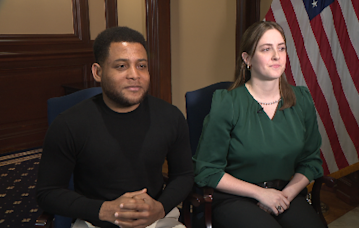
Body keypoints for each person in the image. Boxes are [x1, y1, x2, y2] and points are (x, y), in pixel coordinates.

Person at [36, 27, 193, 228]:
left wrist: (160, 207)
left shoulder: (170, 116)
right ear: (98, 72)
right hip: (96, 221)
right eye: (121, 66)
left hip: (158, 218)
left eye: (142, 65)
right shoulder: (69, 124)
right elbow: (47, 193)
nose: (134, 75)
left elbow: (184, 175)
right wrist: (104, 210)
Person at [192, 21, 325, 228]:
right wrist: (261, 194)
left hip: (285, 192)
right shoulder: (227, 103)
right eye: (266, 49)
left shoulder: (302, 100)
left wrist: (285, 196)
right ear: (247, 59)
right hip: (235, 197)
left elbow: (310, 162)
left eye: (281, 48)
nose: (276, 56)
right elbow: (208, 170)